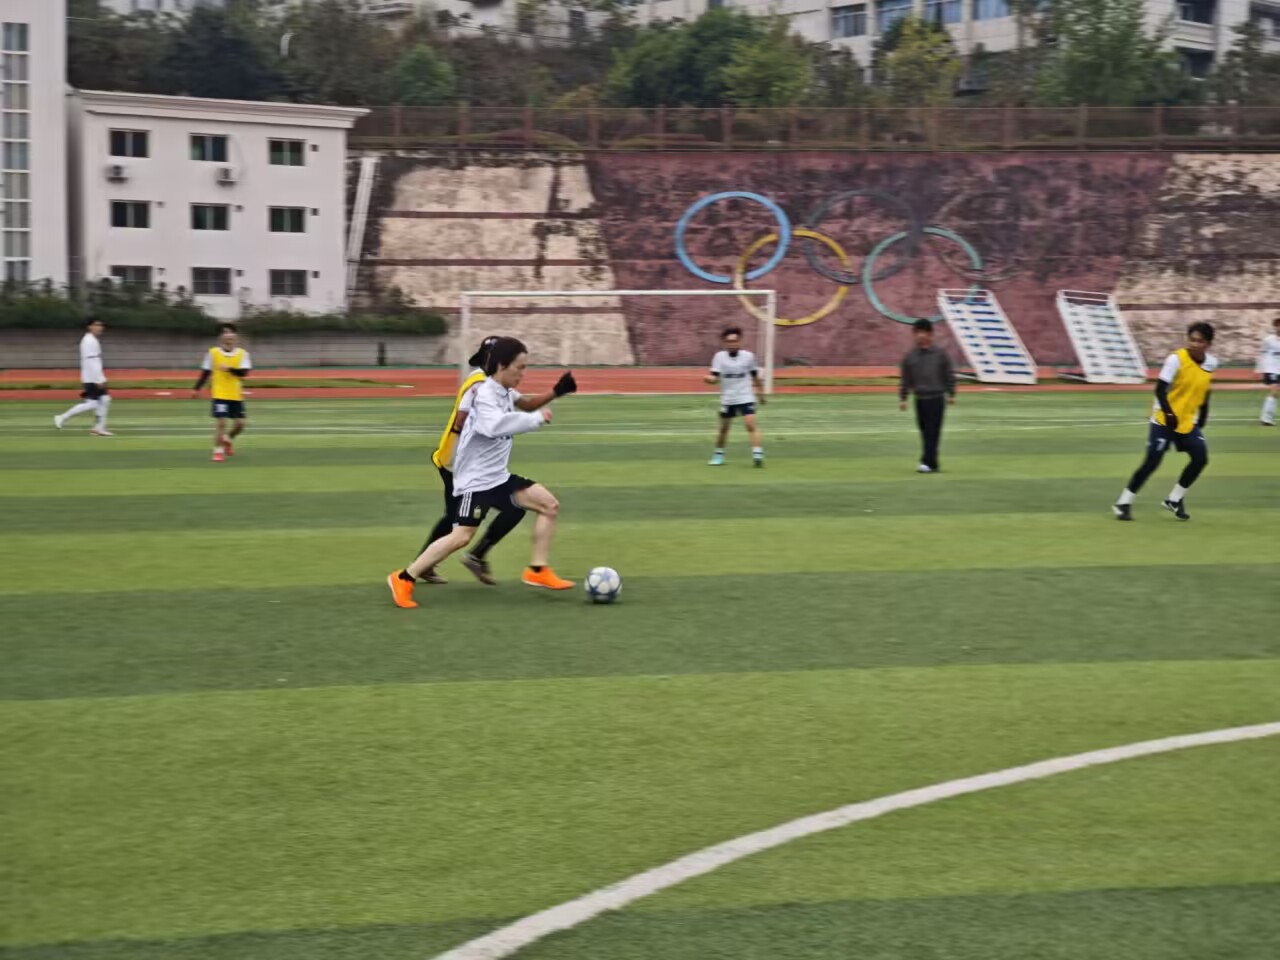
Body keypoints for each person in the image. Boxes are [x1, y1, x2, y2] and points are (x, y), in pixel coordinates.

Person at [388, 337, 576, 608]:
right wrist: (535, 420)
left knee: (549, 505)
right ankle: (404, 577)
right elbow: (493, 427)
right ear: (501, 366)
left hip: (498, 477)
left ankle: (537, 570)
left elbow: (524, 404)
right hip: (476, 481)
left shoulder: (505, 392)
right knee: (461, 536)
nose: (523, 374)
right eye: (520, 367)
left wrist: (554, 394)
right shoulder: (484, 394)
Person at [1113, 322, 1217, 522]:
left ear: (1209, 344)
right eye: (1192, 339)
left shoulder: (1211, 363)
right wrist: (1168, 413)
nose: (1195, 344)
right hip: (1164, 420)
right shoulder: (1175, 359)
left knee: (1200, 458)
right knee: (1152, 462)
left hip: (1186, 421)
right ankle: (1123, 503)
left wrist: (1204, 414)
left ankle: (1174, 499)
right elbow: (1160, 390)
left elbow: (1204, 389)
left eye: (1200, 341)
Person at [898, 318, 956, 473]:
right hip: (920, 399)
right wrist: (903, 397)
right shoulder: (910, 357)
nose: (919, 335)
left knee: (933, 431)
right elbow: (906, 379)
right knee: (924, 431)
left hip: (936, 398)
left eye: (922, 332)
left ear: (930, 334)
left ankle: (926, 462)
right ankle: (933, 463)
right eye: (917, 332)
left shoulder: (940, 355)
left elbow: (948, 374)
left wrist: (951, 393)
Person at [191, 323, 252, 462]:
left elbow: (244, 373)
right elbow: (206, 372)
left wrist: (229, 369)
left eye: (231, 332)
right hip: (220, 393)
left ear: (236, 336)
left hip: (235, 394)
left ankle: (228, 439)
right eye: (225, 332)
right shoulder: (213, 353)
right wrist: (197, 388)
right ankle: (218, 451)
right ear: (220, 337)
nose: (228, 335)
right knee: (222, 422)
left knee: (240, 425)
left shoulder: (243, 354)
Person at [705, 326, 765, 467]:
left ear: (740, 341)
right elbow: (714, 377)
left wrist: (761, 394)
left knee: (750, 424)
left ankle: (757, 454)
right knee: (724, 429)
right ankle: (718, 456)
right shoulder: (719, 357)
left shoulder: (748, 357)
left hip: (745, 396)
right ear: (725, 343)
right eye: (729, 342)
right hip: (728, 398)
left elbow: (755, 377)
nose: (732, 344)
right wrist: (709, 379)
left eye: (734, 341)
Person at [54, 317, 113, 436]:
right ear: (89, 327)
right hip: (92, 378)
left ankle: (98, 428)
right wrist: (98, 379)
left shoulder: (92, 340)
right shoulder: (89, 341)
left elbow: (95, 361)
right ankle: (62, 417)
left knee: (105, 400)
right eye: (96, 325)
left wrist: (100, 377)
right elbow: (91, 361)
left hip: (93, 376)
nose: (100, 327)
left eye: (100, 325)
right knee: (93, 403)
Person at [1257, 315, 1280, 426]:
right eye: (1278, 325)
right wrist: (1259, 369)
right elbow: (1262, 354)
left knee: (1275, 393)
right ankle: (1266, 418)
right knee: (1274, 391)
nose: (1279, 327)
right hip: (1272, 369)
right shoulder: (1268, 340)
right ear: (1275, 327)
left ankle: (1267, 417)